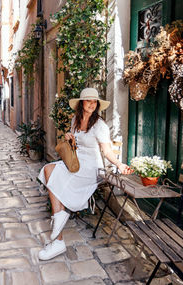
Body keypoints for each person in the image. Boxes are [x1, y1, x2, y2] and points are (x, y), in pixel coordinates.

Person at [38, 87, 133, 260]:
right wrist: (70, 138)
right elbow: (76, 145)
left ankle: (57, 236)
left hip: (91, 168)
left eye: (94, 101)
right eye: (88, 100)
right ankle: (59, 223)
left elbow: (107, 152)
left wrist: (119, 163)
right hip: (75, 162)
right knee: (48, 170)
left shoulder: (100, 125)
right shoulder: (75, 119)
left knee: (57, 181)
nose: (92, 104)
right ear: (82, 103)